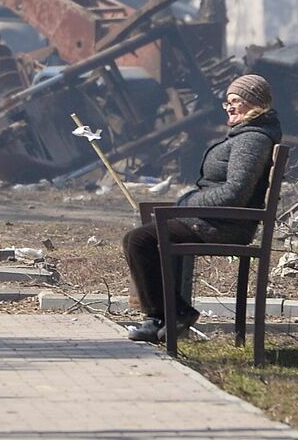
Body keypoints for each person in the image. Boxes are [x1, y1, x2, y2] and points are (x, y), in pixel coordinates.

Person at [121, 74, 284, 343]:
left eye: (236, 101)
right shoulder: (247, 134)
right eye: (228, 102)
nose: (230, 107)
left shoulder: (252, 139)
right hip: (216, 221)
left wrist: (186, 204)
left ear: (255, 104)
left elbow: (236, 194)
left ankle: (169, 314)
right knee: (148, 236)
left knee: (138, 240)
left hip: (225, 226)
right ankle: (164, 317)